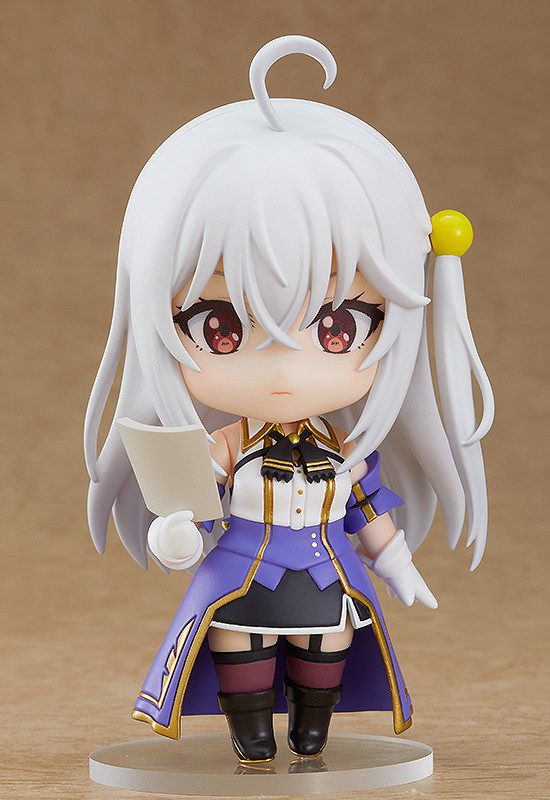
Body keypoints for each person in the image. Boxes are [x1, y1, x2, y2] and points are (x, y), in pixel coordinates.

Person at [84, 36, 493, 764]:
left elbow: (368, 510)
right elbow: (190, 501)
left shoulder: (345, 452)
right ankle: (250, 733)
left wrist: (398, 565)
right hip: (238, 578)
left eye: (340, 326)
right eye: (219, 324)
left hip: (329, 577)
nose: (281, 368)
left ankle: (311, 726)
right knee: (240, 649)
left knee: (325, 649)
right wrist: (176, 533)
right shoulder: (226, 446)